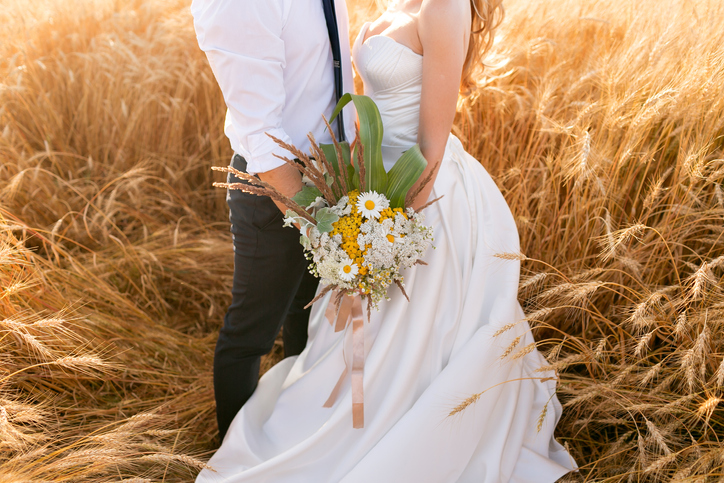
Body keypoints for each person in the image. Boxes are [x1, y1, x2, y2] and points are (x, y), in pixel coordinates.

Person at [195, 0, 578, 481]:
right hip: (354, 187)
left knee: (402, 335)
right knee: (266, 328)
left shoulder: (444, 7)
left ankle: (388, 429)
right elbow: (267, 126)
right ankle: (267, 436)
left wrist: (391, 240)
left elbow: (430, 150)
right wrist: (356, 209)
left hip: (416, 198)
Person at [189, 0, 356, 443]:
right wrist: (320, 228)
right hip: (275, 190)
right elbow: (262, 137)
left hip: (332, 178)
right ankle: (234, 458)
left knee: (308, 324)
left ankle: (295, 441)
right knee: (251, 334)